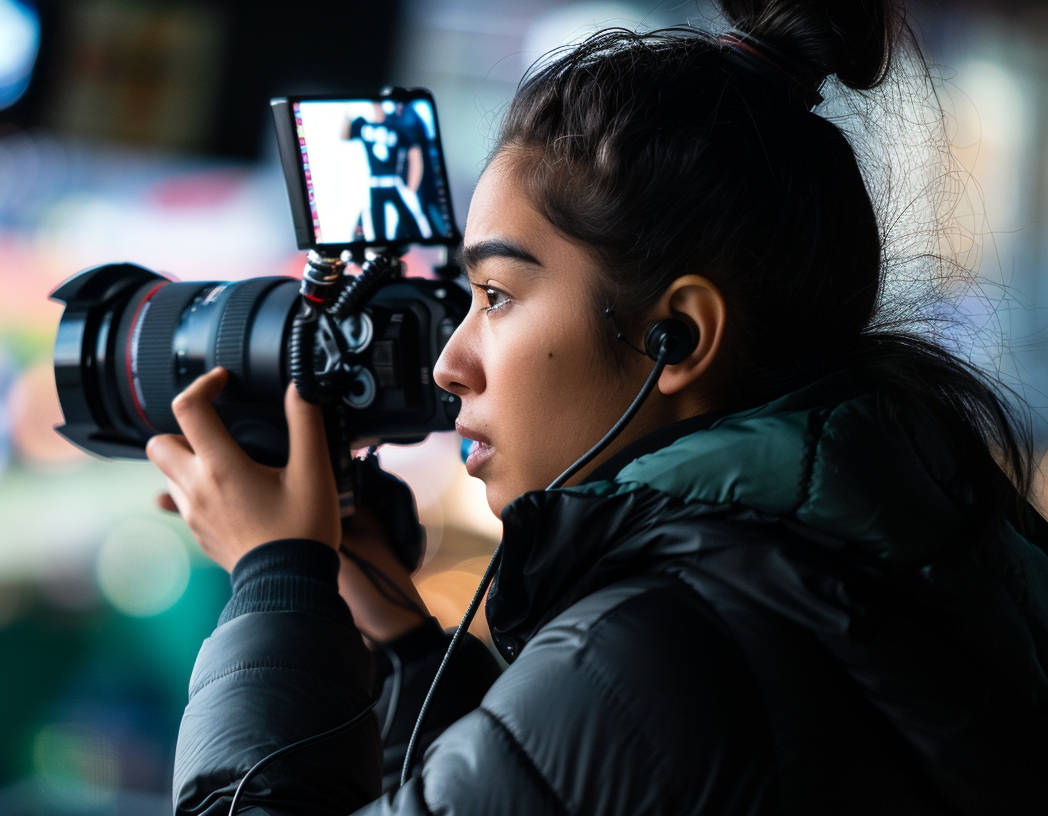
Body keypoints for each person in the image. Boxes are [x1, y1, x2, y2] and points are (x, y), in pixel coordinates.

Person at [145, 0, 1048, 812]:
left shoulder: (659, 647)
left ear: (680, 337)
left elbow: (612, 726)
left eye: (495, 295)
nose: (451, 362)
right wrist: (397, 634)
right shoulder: (869, 550)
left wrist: (273, 581)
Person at [345, 102, 434, 242]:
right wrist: (349, 112)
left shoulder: (397, 125)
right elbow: (344, 135)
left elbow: (415, 154)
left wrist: (411, 189)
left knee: (415, 224)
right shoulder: (362, 124)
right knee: (375, 231)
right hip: (373, 185)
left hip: (393, 183)